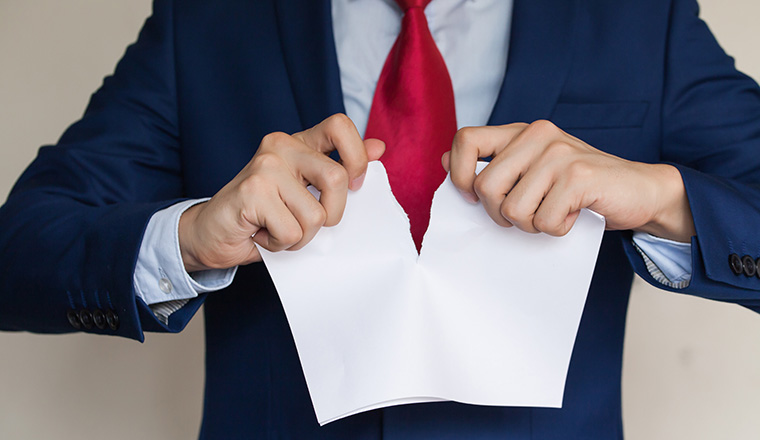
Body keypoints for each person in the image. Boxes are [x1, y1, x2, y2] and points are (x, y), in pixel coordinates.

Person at [2, 0, 760, 438]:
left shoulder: (636, 20)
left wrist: (663, 198)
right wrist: (190, 235)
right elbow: (18, 252)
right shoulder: (211, 22)